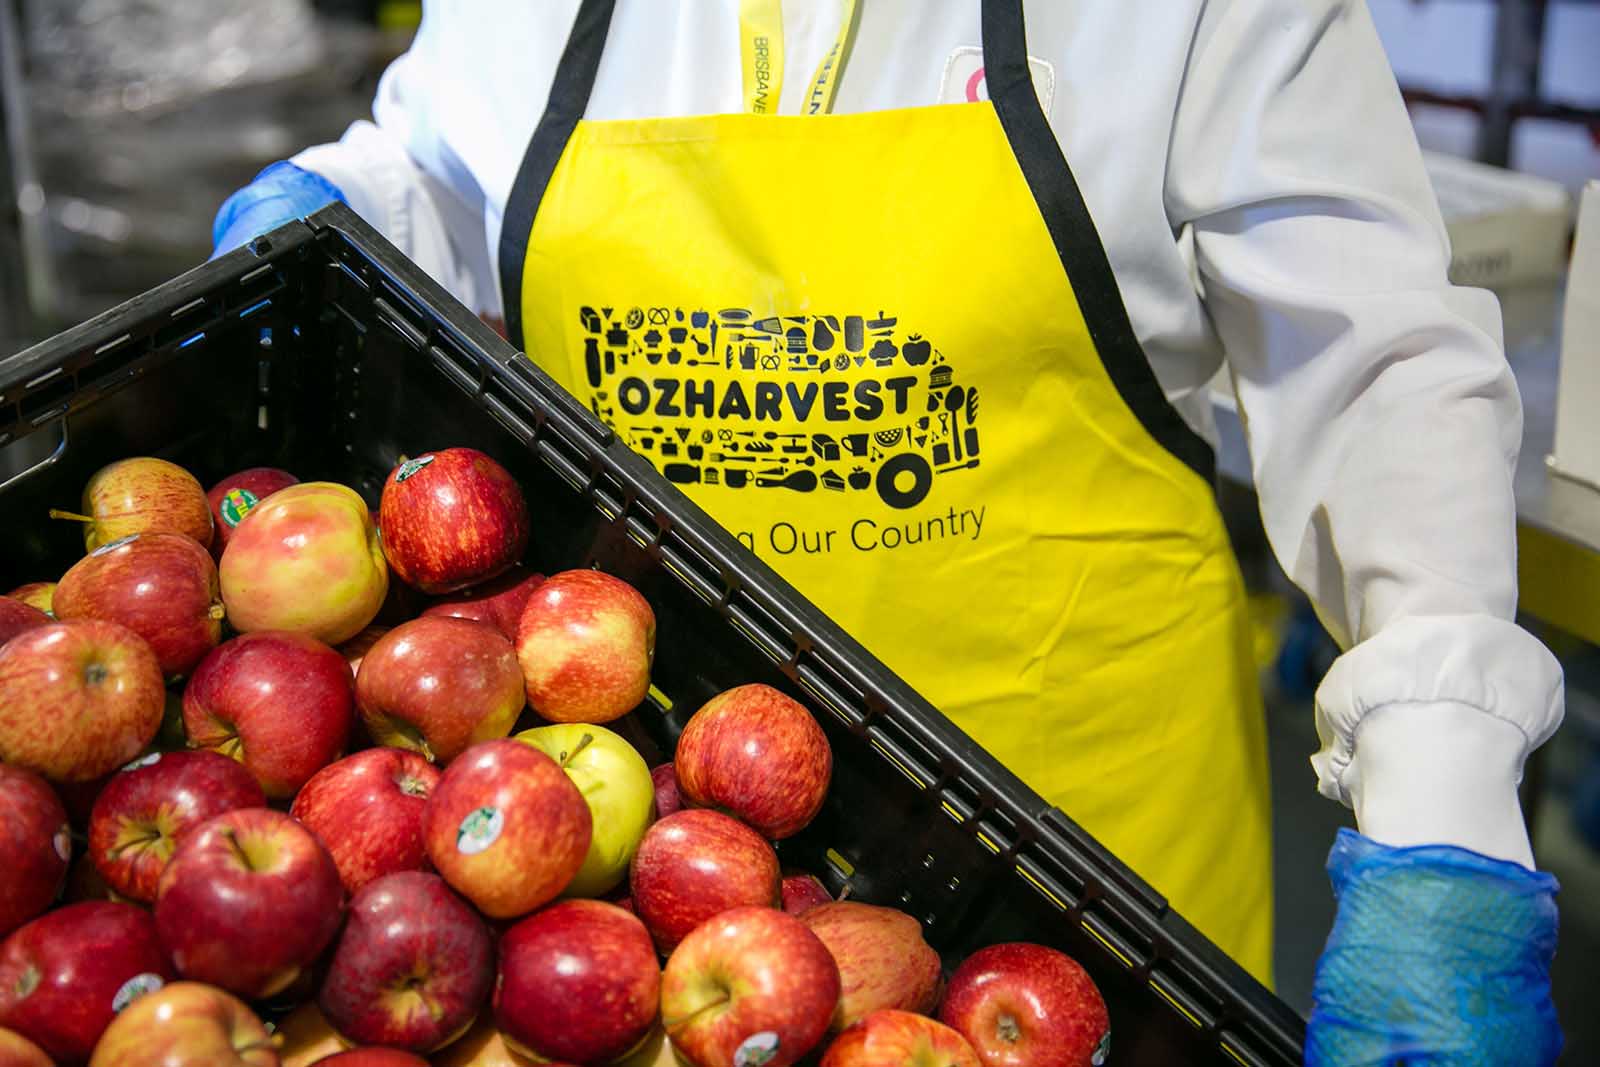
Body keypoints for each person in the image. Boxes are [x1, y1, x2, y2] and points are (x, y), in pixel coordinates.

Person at [214, 2, 1564, 1059]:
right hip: (636, 882)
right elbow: (452, 165)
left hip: (1090, 888)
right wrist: (357, 214)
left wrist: (1443, 790)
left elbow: (1374, 361)